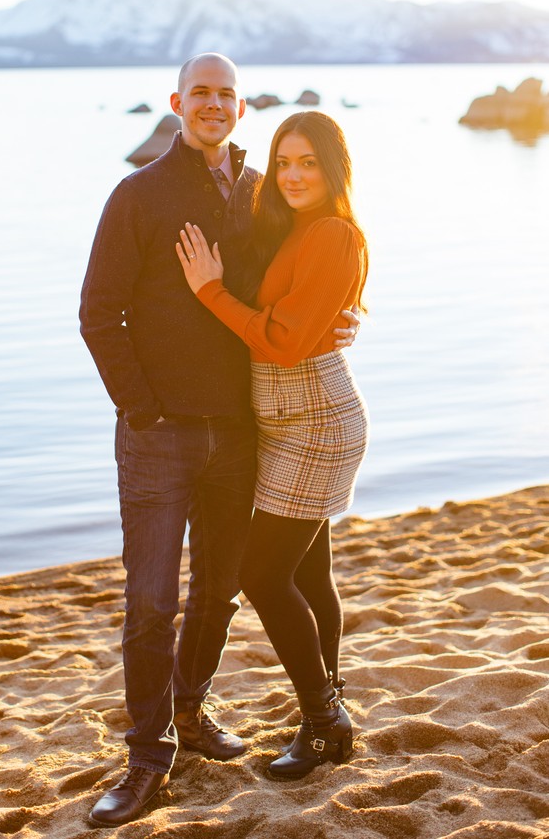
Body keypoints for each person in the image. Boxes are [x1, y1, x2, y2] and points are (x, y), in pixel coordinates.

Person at [79, 55, 359, 826]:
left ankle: (192, 713)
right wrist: (141, 410)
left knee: (219, 592)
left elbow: (315, 259)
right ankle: (145, 759)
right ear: (176, 102)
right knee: (151, 600)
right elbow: (99, 315)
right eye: (199, 92)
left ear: (241, 109)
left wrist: (345, 314)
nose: (213, 104)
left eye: (226, 95)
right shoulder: (136, 195)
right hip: (159, 434)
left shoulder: (259, 193)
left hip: (246, 430)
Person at [176, 109, 368, 779]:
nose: (291, 174)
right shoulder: (295, 227)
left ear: (331, 167)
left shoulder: (333, 232)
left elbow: (281, 340)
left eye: (307, 162)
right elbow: (305, 315)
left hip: (313, 420)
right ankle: (327, 708)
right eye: (284, 161)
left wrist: (209, 290)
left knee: (260, 574)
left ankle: (322, 720)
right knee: (308, 574)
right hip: (287, 416)